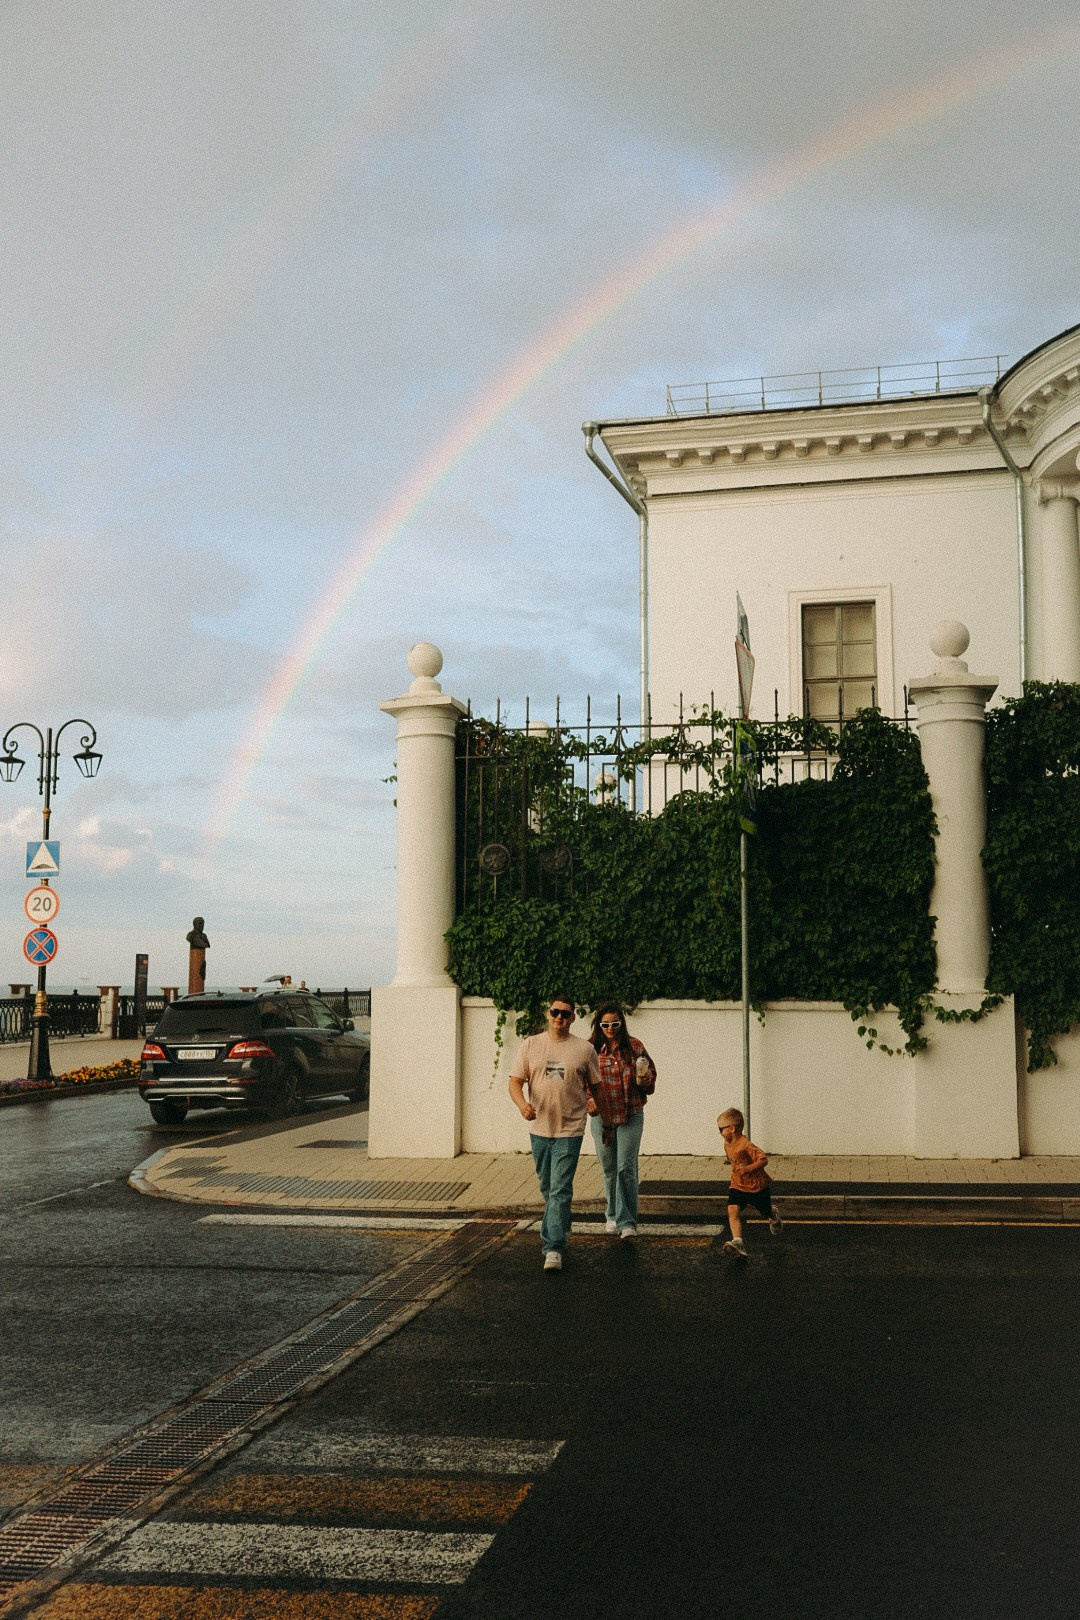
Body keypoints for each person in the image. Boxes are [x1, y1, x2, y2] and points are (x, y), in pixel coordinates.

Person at [509, 995, 600, 1272]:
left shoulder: (584, 1049)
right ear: (548, 1014)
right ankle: (561, 1222)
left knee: (559, 1188)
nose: (559, 1017)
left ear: (573, 1018)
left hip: (570, 1128)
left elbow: (596, 1086)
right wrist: (522, 1105)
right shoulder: (530, 1045)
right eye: (555, 1012)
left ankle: (553, 1247)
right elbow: (515, 1082)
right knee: (548, 1187)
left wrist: (596, 1106)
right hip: (539, 1128)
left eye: (565, 1013)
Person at [588, 1002, 657, 1241]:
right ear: (598, 1025)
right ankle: (612, 1214)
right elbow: (581, 1080)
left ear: (622, 1024)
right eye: (605, 1024)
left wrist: (645, 1079)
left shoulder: (635, 1047)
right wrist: (589, 1100)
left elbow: (650, 1079)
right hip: (603, 1117)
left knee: (625, 1167)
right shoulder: (590, 1049)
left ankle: (627, 1221)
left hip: (631, 1113)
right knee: (609, 1167)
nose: (610, 1029)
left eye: (615, 1024)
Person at [717, 1106, 782, 1258]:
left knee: (765, 1211)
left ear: (732, 1129)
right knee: (732, 1210)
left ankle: (773, 1214)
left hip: (756, 1187)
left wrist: (748, 1169)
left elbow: (763, 1159)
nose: (719, 1132)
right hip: (737, 1185)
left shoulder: (746, 1145)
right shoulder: (727, 1143)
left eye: (721, 1129)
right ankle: (738, 1242)